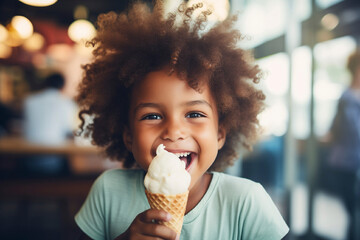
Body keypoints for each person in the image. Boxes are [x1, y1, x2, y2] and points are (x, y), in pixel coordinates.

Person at [74, 1, 289, 239]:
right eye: (152, 116)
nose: (174, 131)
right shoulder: (108, 191)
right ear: (128, 136)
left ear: (220, 134)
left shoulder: (247, 202)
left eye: (194, 114)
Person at [325, 49, 360, 239]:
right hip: (348, 164)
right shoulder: (347, 99)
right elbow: (353, 133)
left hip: (348, 162)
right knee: (355, 215)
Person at [23, 72, 77, 175]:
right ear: (63, 86)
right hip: (55, 161)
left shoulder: (29, 100)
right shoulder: (67, 103)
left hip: (29, 158)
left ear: (45, 83)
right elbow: (69, 130)